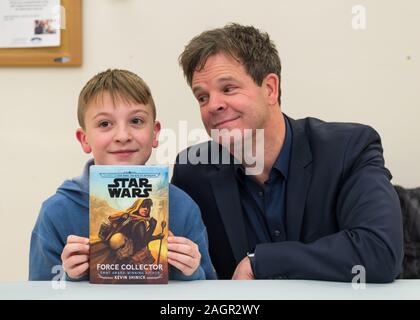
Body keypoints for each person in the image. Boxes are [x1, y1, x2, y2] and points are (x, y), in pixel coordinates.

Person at [172, 23, 403, 281]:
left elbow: (380, 251)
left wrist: (261, 262)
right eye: (202, 97)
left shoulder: (348, 148)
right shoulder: (192, 171)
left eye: (228, 89)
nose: (213, 105)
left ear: (270, 88)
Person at [29, 69, 216, 281]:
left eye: (136, 121)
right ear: (84, 139)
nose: (123, 136)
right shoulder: (57, 212)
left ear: (155, 133)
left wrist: (192, 273)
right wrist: (69, 278)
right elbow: (41, 290)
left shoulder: (182, 207)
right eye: (105, 124)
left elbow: (208, 289)